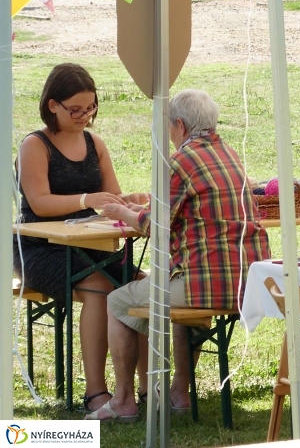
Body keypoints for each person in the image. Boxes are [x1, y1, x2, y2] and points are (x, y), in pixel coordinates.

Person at [85, 88, 270, 422]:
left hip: (205, 284)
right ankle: (179, 393)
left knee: (117, 301)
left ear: (180, 125)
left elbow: (154, 225)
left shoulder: (182, 161)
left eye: (170, 126)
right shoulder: (229, 154)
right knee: (181, 299)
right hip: (248, 282)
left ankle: (124, 400)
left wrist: (121, 212)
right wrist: (139, 210)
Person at [13, 63, 149, 413]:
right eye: (76, 109)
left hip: (89, 245)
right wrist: (87, 199)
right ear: (52, 105)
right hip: (39, 247)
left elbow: (111, 196)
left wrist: (128, 200)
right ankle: (96, 392)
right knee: (99, 288)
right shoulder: (35, 144)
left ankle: (146, 387)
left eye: (90, 108)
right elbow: (39, 203)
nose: (85, 116)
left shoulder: (94, 142)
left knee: (140, 284)